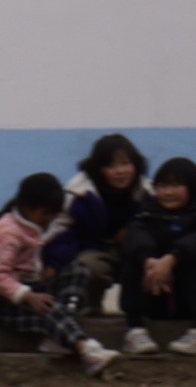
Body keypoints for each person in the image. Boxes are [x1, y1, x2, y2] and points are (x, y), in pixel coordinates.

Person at [0, 171, 104, 368]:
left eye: (53, 214)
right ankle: (85, 349)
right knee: (48, 309)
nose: (49, 219)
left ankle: (58, 335)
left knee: (79, 271)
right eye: (46, 213)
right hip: (5, 300)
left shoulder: (33, 226)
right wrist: (28, 296)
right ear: (27, 207)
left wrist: (47, 270)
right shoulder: (5, 232)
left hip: (34, 287)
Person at [43, 133, 153, 350]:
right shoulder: (80, 195)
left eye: (125, 163)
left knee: (139, 260)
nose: (120, 171)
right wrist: (54, 262)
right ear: (98, 169)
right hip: (94, 248)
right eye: (111, 166)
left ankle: (140, 320)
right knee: (86, 264)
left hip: (132, 251)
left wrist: (131, 233)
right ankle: (90, 306)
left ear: (136, 164)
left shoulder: (147, 193)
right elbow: (63, 232)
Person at [109, 157, 196, 356]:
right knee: (132, 256)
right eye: (162, 186)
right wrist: (149, 260)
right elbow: (136, 234)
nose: (168, 193)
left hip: (192, 299)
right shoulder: (148, 212)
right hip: (156, 292)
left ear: (193, 185)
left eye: (176, 185)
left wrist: (172, 259)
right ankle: (135, 330)